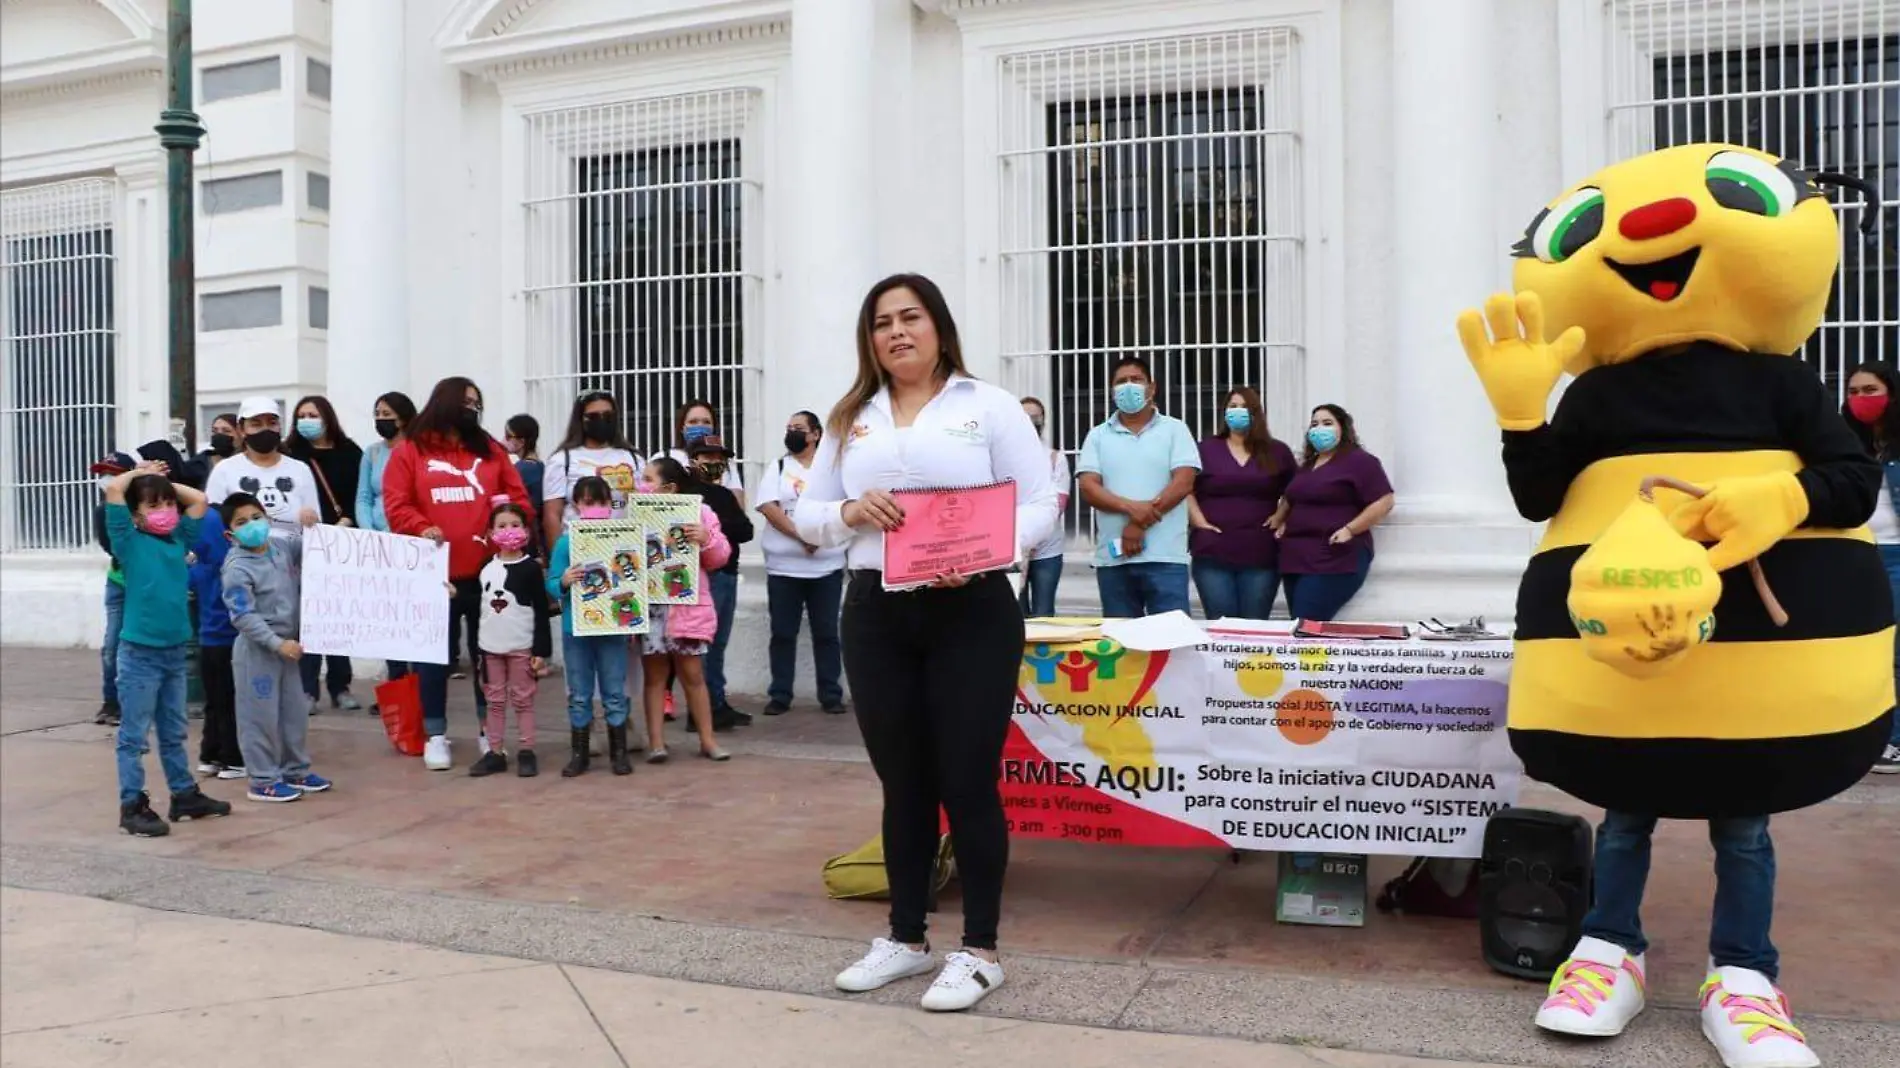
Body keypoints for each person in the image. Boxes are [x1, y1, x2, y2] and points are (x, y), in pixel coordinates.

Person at [1459, 143, 1890, 1068]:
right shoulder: (1600, 394)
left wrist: (1786, 498)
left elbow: (1854, 481)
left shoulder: (1781, 382)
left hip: (1751, 643)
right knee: (1627, 809)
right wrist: (1523, 418)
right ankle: (1612, 950)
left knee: (1743, 820)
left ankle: (1744, 975)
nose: (1651, 232)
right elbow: (1541, 496)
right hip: (1622, 646)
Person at [795, 272, 1057, 1013]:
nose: (897, 332)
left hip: (971, 611)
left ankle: (979, 951)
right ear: (868, 339)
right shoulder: (852, 418)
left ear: (939, 327)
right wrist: (850, 510)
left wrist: (982, 551)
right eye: (882, 323)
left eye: (911, 318)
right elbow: (808, 515)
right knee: (901, 779)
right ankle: (905, 940)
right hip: (877, 612)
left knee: (966, 779)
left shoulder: (989, 407)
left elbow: (1041, 503)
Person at [382, 376, 529, 772]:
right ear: (444, 403)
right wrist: (419, 526)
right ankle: (435, 735)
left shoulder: (492, 451)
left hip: (488, 574)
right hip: (434, 576)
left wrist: (508, 523)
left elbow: (518, 499)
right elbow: (396, 504)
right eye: (465, 401)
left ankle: (489, 732)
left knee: (490, 658)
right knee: (435, 659)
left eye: (477, 403)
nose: (472, 409)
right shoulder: (410, 451)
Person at [101, 461, 232, 837]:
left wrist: (161, 484)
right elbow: (113, 491)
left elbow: (200, 499)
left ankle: (183, 794)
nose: (165, 512)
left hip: (174, 652)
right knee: (133, 736)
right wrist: (139, 475)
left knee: (174, 731)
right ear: (136, 515)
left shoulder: (179, 540)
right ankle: (132, 804)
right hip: (140, 655)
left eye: (167, 504)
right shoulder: (127, 541)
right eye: (153, 506)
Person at [220, 493, 331, 803]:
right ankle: (263, 779)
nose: (252, 525)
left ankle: (296, 770)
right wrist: (276, 643)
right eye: (242, 522)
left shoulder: (280, 548)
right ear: (230, 534)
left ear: (267, 519)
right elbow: (243, 616)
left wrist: (312, 526)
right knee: (260, 717)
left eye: (256, 517)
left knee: (294, 713)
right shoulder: (236, 569)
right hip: (259, 652)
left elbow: (315, 549)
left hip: (290, 649)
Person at [1077, 357, 1200, 617]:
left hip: (1166, 559)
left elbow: (1183, 482)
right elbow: (1088, 487)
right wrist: (1132, 509)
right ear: (1111, 391)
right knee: (1121, 648)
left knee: (1172, 645)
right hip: (1114, 561)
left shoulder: (1175, 430)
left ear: (1151, 388)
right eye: (1121, 382)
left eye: (1136, 380)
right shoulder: (1097, 436)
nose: (1128, 386)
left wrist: (1137, 524)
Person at [638, 457, 733, 763]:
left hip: (685, 608)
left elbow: (720, 557)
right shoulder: (635, 515)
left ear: (669, 487)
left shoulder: (700, 512)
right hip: (652, 608)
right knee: (654, 676)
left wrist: (706, 539)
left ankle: (707, 740)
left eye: (648, 479)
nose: (643, 485)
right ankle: (656, 743)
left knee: (693, 674)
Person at [755, 410, 847, 715]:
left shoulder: (833, 468)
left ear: (816, 434)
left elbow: (845, 506)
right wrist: (802, 535)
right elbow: (768, 506)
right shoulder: (779, 465)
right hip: (784, 568)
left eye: (799, 428)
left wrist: (820, 537)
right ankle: (780, 694)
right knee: (782, 633)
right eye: (788, 427)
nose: (792, 432)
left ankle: (831, 695)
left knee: (827, 633)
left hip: (826, 568)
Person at [1269, 405, 1394, 621]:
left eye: (1327, 423)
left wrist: (1350, 529)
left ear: (1343, 429)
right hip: (1296, 557)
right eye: (1314, 424)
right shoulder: (1308, 465)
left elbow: (1384, 501)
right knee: (1298, 625)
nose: (1319, 429)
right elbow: (1294, 497)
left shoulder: (1361, 462)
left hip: (1334, 556)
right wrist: (1283, 520)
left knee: (1307, 622)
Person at [547, 476, 636, 777]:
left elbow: (633, 577)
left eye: (601, 502)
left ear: (610, 505)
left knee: (614, 690)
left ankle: (619, 753)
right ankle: (579, 753)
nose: (595, 508)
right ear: (576, 505)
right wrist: (563, 581)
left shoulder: (622, 538)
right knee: (580, 692)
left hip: (612, 628)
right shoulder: (566, 542)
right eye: (588, 502)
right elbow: (551, 582)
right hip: (577, 629)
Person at [1187, 387, 1298, 620]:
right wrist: (1199, 522)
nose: (1237, 412)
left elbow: (1297, 490)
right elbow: (1185, 489)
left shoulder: (1277, 451)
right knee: (1221, 628)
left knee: (1254, 629)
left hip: (1261, 554)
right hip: (1212, 552)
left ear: (1256, 413)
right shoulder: (1205, 449)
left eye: (1244, 407)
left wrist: (1280, 516)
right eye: (1232, 407)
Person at [286, 394, 365, 711]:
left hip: (341, 542)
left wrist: (347, 518)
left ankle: (340, 684)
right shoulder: (291, 454)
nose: (306, 420)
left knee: (337, 617)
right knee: (307, 619)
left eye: (312, 414)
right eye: (301, 415)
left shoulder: (350, 453)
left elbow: (361, 494)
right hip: (302, 543)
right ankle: (307, 689)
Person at [1842, 360, 1900, 775]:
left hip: (1896, 555)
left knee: (1892, 653)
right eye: (1854, 391)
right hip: (1859, 554)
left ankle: (1893, 741)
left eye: (1870, 390)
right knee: (1862, 650)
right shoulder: (1845, 444)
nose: (1861, 399)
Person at [470, 503, 553, 778]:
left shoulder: (530, 569)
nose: (508, 531)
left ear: (526, 531)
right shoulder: (485, 566)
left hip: (520, 646)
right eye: (501, 526)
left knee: (523, 699)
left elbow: (542, 611)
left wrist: (541, 650)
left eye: (515, 525)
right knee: (493, 700)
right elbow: (477, 602)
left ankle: (527, 750)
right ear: (491, 532)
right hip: (490, 646)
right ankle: (494, 752)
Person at [684, 435, 755, 729]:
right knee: (703, 645)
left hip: (727, 574)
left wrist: (716, 526)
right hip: (704, 576)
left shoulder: (724, 494)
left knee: (719, 644)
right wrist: (722, 525)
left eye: (718, 459)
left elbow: (746, 530)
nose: (714, 463)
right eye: (707, 457)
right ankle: (699, 710)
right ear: (693, 461)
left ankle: (716, 702)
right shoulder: (688, 494)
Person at [357, 391, 418, 703]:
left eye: (387, 413)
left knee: (414, 617)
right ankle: (395, 686)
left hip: (412, 542)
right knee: (389, 618)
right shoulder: (372, 454)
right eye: (377, 413)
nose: (381, 419)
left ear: (404, 418)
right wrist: (371, 533)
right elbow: (364, 497)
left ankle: (418, 687)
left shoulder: (417, 451)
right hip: (380, 545)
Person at [204, 396, 321, 541]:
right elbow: (213, 523)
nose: (265, 430)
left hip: (294, 558)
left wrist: (310, 518)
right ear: (242, 429)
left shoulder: (300, 470)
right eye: (256, 424)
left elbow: (316, 524)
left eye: (272, 423)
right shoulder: (225, 470)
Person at [543, 391, 643, 546]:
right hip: (579, 546)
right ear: (580, 420)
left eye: (608, 415)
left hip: (626, 546)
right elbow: (552, 513)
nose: (602, 420)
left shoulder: (634, 458)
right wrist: (558, 556)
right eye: (594, 416)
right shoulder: (562, 460)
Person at [189, 503, 244, 779]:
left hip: (208, 639)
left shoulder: (200, 566)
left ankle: (210, 754)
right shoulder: (232, 565)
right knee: (232, 700)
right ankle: (233, 757)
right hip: (230, 638)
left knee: (215, 700)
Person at [90, 451, 139, 727]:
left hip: (147, 584)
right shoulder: (103, 510)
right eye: (103, 474)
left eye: (114, 473)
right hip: (120, 582)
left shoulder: (151, 505)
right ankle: (112, 702)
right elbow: (114, 548)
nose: (106, 479)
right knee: (112, 645)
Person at [1016, 397, 1071, 618]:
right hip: (1013, 547)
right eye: (1024, 416)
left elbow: (1059, 502)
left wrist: (1035, 535)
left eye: (1035, 416)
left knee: (1043, 613)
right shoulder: (1002, 457)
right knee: (1015, 612)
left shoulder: (1055, 457)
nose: (1030, 421)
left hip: (1048, 546)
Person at [668, 399, 745, 501]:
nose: (700, 426)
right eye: (693, 422)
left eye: (706, 422)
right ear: (682, 427)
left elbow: (738, 504)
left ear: (713, 427)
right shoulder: (666, 457)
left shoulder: (725, 462)